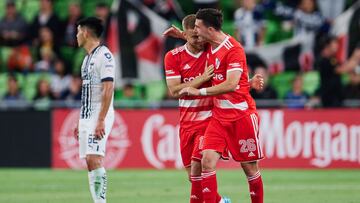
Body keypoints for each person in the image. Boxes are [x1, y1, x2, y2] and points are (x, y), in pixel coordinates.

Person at [179, 9, 264, 203]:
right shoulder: (208, 44)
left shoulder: (234, 49)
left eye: (198, 27)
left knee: (250, 168)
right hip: (218, 118)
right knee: (206, 162)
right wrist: (180, 34)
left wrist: (199, 91)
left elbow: (231, 83)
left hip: (241, 116)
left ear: (209, 29)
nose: (195, 31)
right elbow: (193, 39)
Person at [73, 17, 115, 203]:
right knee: (90, 162)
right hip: (87, 115)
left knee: (94, 158)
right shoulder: (87, 59)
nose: (76, 35)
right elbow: (87, 92)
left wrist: (100, 120)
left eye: (78, 31)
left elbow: (108, 88)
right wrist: (80, 120)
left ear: (86, 33)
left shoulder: (104, 56)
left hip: (100, 113)